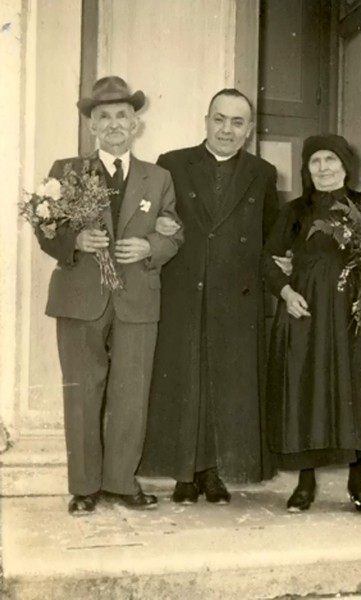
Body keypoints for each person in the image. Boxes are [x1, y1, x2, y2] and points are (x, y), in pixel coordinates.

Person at [35, 76, 183, 515]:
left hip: (137, 298)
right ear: (92, 126)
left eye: (122, 116)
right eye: (104, 117)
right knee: (82, 392)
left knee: (131, 393)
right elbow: (45, 226)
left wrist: (151, 247)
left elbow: (174, 232)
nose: (115, 124)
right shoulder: (67, 170)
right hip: (80, 297)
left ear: (135, 124)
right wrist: (74, 241)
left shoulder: (158, 178)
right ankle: (83, 486)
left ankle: (121, 481)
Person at [139, 88, 279, 504]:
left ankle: (214, 471)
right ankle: (186, 472)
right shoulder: (173, 163)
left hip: (237, 295)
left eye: (238, 122)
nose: (227, 130)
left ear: (249, 130)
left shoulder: (263, 172)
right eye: (220, 119)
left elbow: (270, 236)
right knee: (186, 380)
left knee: (226, 384)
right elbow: (155, 219)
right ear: (206, 121)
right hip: (184, 290)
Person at [263, 134, 361, 514]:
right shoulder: (294, 213)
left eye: (330, 160)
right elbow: (268, 261)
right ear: (307, 168)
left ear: (344, 166)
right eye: (315, 161)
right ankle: (305, 484)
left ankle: (358, 482)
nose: (323, 167)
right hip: (306, 315)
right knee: (306, 391)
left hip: (356, 315)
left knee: (357, 389)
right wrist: (286, 293)